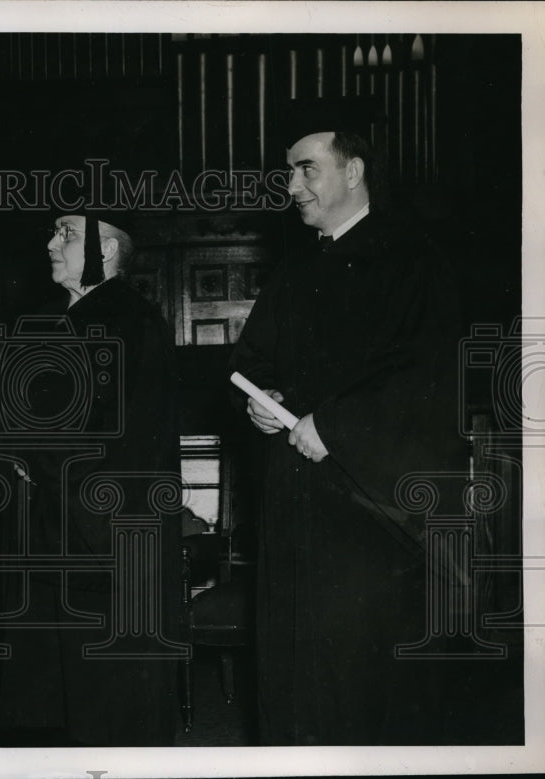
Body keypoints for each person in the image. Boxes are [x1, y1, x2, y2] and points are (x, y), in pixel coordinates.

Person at [228, 99, 465, 745]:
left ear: (354, 170)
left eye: (307, 169)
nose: (292, 186)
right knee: (296, 670)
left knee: (360, 677)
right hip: (295, 508)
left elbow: (427, 375)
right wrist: (263, 394)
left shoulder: (412, 260)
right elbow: (254, 358)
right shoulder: (296, 269)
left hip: (370, 514)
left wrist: (332, 425)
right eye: (288, 173)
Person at [0, 209, 183, 747]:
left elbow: (115, 441)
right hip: (52, 531)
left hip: (102, 540)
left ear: (111, 250)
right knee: (52, 696)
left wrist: (25, 446)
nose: (52, 243)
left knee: (106, 699)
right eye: (54, 231)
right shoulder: (53, 318)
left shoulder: (131, 322)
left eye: (68, 233)